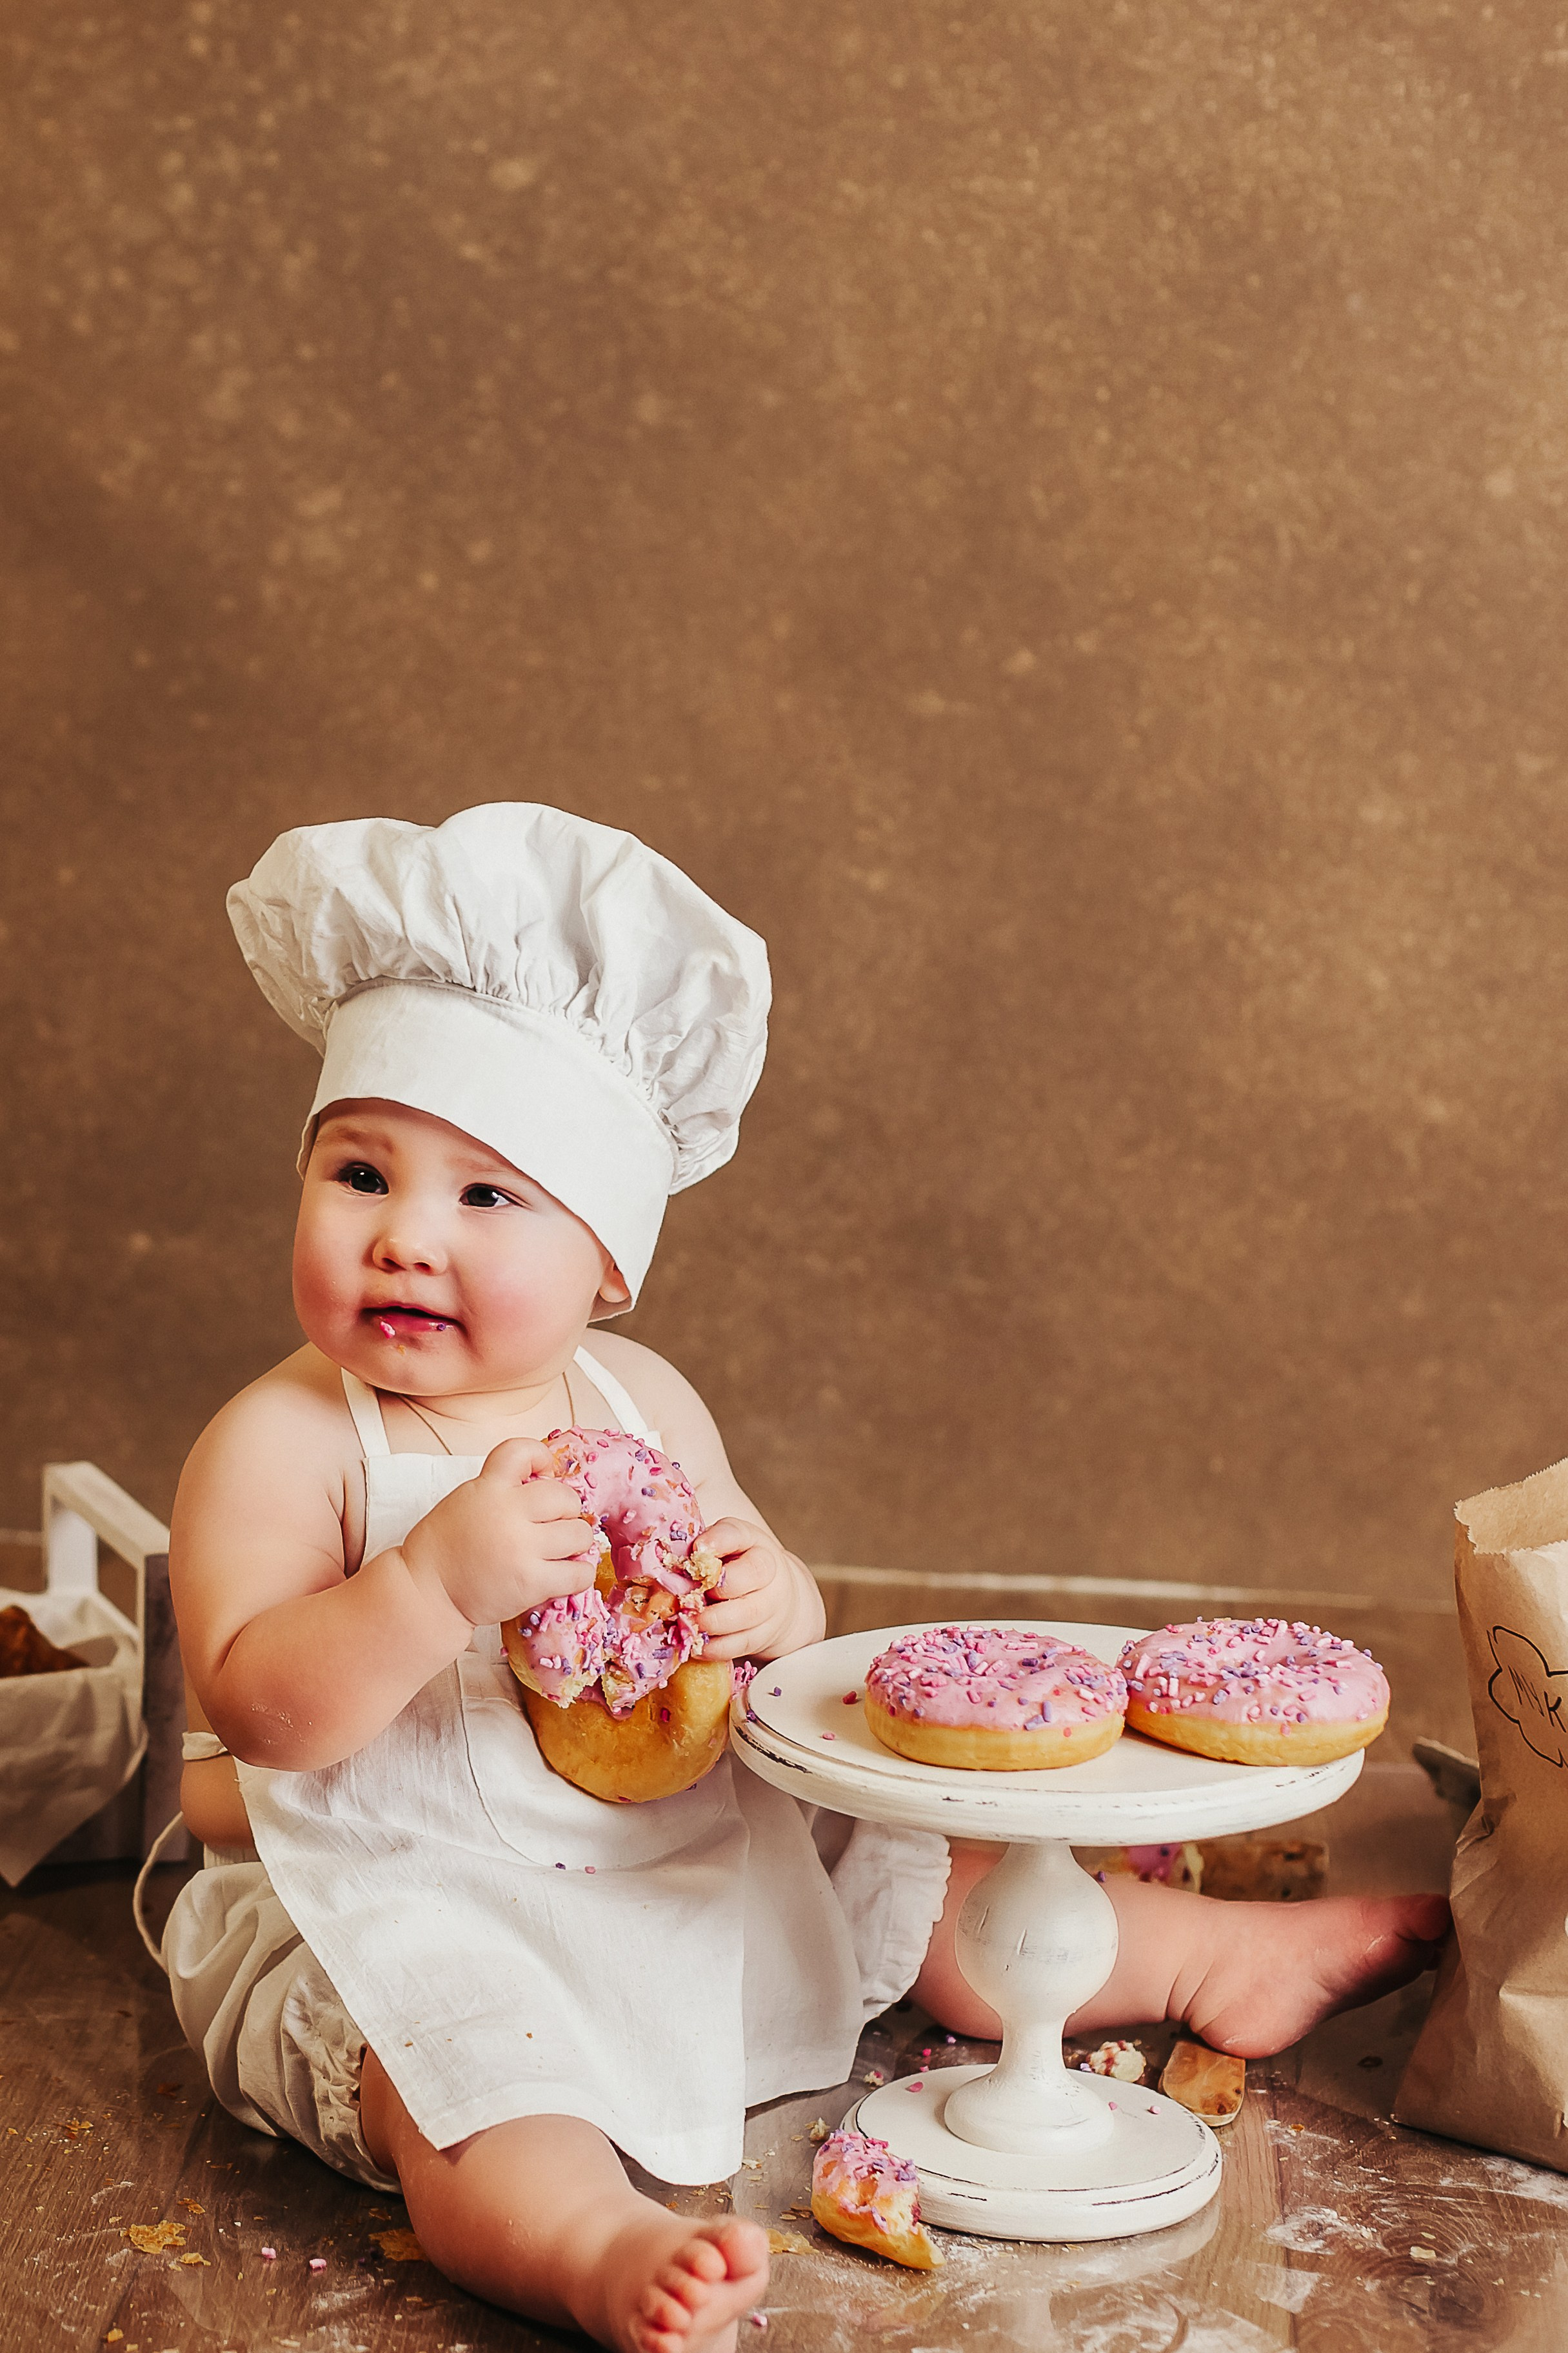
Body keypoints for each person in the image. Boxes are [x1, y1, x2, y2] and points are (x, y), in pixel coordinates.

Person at [163, 805, 1449, 2353]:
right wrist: (432, 1584)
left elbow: (762, 1643)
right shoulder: (289, 1440)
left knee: (935, 1893)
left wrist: (767, 1601)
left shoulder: (644, 1404)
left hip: (677, 1853)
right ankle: (589, 2247)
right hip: (421, 1895)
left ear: (609, 1259)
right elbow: (263, 1714)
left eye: (486, 1197)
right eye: (359, 1173)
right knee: (468, 2084)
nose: (405, 1240)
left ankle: (1209, 1957)